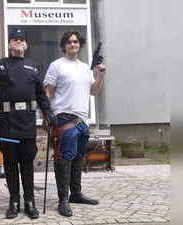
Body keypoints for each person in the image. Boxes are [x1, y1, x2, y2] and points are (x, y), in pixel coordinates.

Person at [0, 29, 54, 219]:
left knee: (27, 161)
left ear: (26, 45)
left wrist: (48, 112)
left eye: (22, 40)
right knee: (10, 161)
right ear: (9, 44)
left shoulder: (34, 66)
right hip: (7, 122)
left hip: (27, 122)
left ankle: (29, 201)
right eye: (15, 39)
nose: (18, 42)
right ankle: (14, 201)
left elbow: (40, 94)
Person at [43, 29, 107, 217]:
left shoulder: (86, 68)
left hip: (82, 120)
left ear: (80, 45)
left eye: (76, 42)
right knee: (63, 157)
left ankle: (76, 194)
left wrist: (100, 75)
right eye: (69, 42)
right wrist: (46, 115)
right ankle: (63, 199)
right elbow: (47, 92)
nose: (73, 45)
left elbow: (93, 92)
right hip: (64, 119)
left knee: (78, 157)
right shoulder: (57, 65)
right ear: (64, 45)